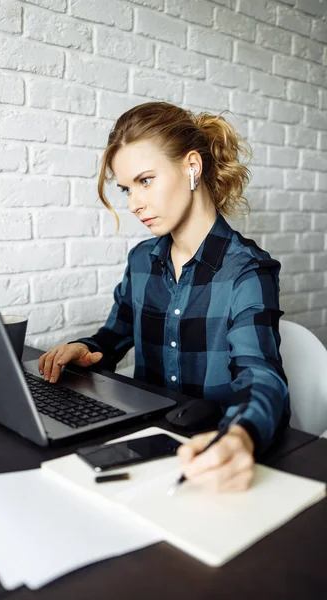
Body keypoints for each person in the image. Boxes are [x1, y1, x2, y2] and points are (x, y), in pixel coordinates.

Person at [38, 102, 290, 493]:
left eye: (145, 180)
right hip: (147, 451)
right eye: (126, 188)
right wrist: (81, 348)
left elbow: (261, 376)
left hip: (211, 455)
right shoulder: (142, 260)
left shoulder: (248, 271)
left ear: (192, 166)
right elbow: (112, 337)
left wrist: (241, 437)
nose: (133, 203)